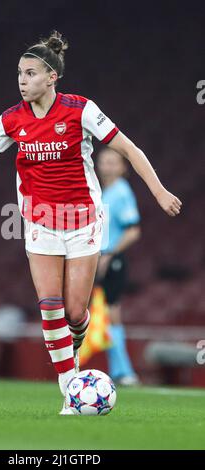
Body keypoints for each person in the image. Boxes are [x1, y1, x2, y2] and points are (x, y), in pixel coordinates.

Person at [0, 30, 182, 414]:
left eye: (30, 74)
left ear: (51, 77)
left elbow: (127, 147)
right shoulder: (10, 120)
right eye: (19, 74)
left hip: (83, 221)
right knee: (50, 305)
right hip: (40, 221)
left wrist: (158, 191)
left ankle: (73, 340)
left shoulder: (80, 110)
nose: (22, 81)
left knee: (75, 313)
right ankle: (70, 389)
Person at [96, 147, 141, 385]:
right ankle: (118, 370)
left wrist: (110, 254)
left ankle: (124, 371)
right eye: (104, 161)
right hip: (99, 257)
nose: (108, 166)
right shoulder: (103, 192)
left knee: (113, 312)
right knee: (103, 314)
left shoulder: (122, 192)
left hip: (111, 258)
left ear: (123, 167)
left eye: (113, 162)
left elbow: (133, 230)